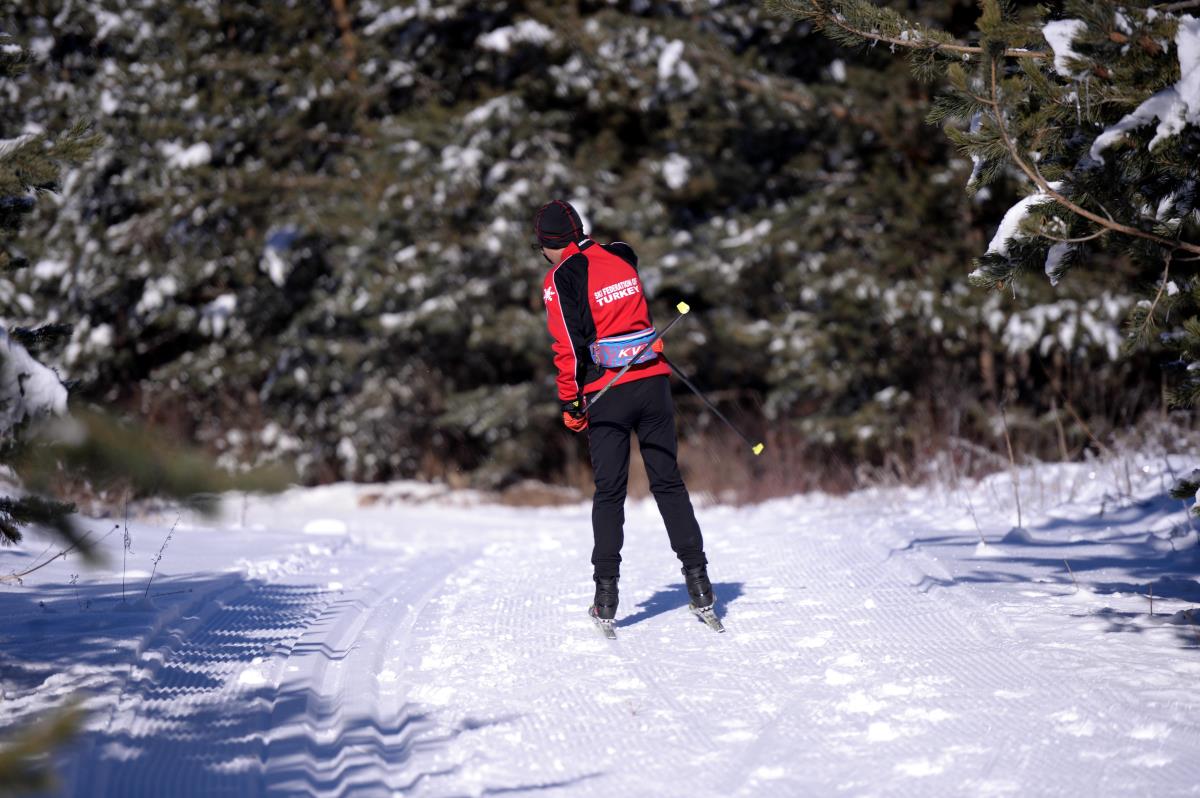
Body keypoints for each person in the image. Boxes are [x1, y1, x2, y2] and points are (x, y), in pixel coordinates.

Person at [534, 199, 714, 630]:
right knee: (667, 483)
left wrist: (570, 403)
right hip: (653, 384)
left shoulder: (560, 278)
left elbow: (568, 348)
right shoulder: (621, 255)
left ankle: (606, 599)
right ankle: (700, 584)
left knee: (610, 493)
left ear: (546, 244)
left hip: (607, 392)